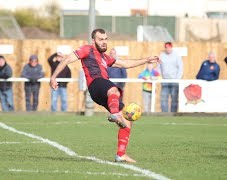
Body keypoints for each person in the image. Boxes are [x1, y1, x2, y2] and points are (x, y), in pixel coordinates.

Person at [50, 28, 160, 163]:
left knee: (127, 121)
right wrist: (53, 77)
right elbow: (67, 59)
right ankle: (115, 114)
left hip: (101, 91)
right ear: (93, 40)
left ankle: (121, 154)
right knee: (114, 90)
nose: (104, 42)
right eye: (100, 39)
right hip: (96, 83)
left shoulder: (104, 57)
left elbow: (125, 64)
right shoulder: (87, 49)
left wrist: (146, 60)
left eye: (105, 39)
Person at [158, 42, 183, 112]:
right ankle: (164, 114)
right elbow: (158, 67)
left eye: (169, 47)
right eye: (166, 47)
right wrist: (160, 76)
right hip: (164, 80)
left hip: (174, 81)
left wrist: (178, 78)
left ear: (171, 47)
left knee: (174, 98)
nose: (168, 49)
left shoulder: (176, 55)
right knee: (163, 98)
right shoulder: (162, 55)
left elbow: (180, 68)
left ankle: (173, 114)